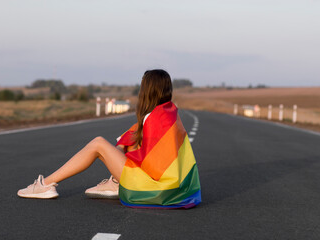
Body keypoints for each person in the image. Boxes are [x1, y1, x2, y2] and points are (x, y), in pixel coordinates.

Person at [17, 69, 201, 209]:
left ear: (148, 90)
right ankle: (114, 182)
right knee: (120, 144)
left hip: (158, 187)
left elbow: (149, 159)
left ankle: (45, 185)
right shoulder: (168, 113)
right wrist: (119, 153)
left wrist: (118, 155)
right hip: (176, 187)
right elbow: (135, 138)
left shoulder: (155, 118)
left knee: (97, 143)